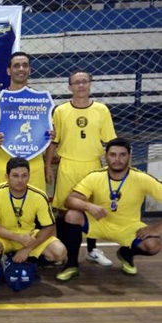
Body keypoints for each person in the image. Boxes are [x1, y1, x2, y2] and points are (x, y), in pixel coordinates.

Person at [57, 138, 162, 281]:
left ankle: (126, 253)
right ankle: (72, 265)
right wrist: (89, 206)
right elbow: (70, 200)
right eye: (112, 155)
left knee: (154, 245)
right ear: (106, 156)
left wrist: (157, 229)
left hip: (128, 227)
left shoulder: (141, 178)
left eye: (122, 155)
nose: (117, 159)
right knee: (72, 215)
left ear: (130, 156)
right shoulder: (95, 176)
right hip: (99, 222)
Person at [45, 69, 116, 267]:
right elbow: (53, 141)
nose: (81, 85)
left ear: (90, 84)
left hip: (93, 166)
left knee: (92, 209)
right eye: (77, 83)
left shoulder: (101, 110)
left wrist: (112, 169)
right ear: (70, 87)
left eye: (85, 81)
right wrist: (48, 166)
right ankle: (63, 251)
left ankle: (92, 250)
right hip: (68, 165)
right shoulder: (60, 111)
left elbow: (111, 142)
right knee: (62, 209)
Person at [0, 157, 67, 285]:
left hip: (29, 237)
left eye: (24, 176)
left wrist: (28, 248)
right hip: (4, 235)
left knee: (59, 252)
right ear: (7, 176)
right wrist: (18, 238)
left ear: (29, 176)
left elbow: (49, 227)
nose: (20, 180)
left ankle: (30, 262)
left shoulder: (39, 195)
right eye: (15, 176)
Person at [0, 51, 50, 192]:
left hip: (34, 166)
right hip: (5, 165)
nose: (21, 69)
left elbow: (49, 132)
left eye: (25, 65)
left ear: (29, 70)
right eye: (16, 66)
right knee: (4, 210)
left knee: (35, 209)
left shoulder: (41, 101)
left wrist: (50, 135)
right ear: (9, 70)